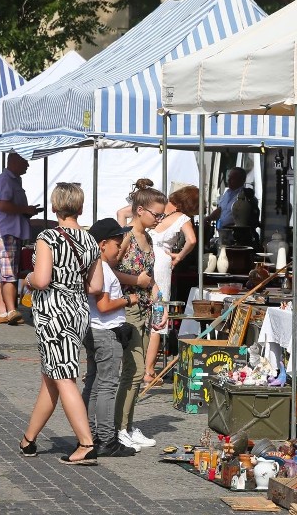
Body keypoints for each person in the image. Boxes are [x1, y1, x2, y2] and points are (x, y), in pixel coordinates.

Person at [20, 182, 104, 466]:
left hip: (53, 311)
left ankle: (85, 443)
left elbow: (41, 280)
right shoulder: (91, 240)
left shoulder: (47, 237)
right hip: (78, 310)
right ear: (80, 207)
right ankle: (29, 439)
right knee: (52, 376)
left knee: (63, 377)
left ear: (55, 206)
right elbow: (96, 286)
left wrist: (28, 280)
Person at [113, 185, 166, 452]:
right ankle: (120, 428)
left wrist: (160, 298)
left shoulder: (148, 238)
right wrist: (137, 281)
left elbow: (150, 277)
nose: (159, 219)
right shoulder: (126, 238)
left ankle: (128, 425)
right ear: (141, 211)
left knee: (138, 370)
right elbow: (108, 270)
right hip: (128, 307)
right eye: (157, 214)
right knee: (133, 371)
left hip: (145, 307)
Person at [83, 218, 140, 457]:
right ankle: (106, 439)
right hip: (105, 332)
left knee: (94, 383)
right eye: (118, 243)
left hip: (94, 329)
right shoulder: (102, 269)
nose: (121, 248)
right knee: (106, 385)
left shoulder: (95, 266)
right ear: (103, 244)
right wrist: (129, 300)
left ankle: (91, 434)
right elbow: (104, 305)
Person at [144, 186, 199, 383]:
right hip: (162, 261)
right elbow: (191, 240)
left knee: (143, 309)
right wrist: (179, 257)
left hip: (144, 256)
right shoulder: (182, 218)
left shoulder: (156, 206)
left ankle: (139, 364)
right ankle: (149, 370)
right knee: (159, 314)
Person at [0, 153, 41, 325]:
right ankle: (12, 310)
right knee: (9, 273)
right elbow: (2, 205)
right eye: (24, 161)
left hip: (10, 231)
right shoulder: (5, 180)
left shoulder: (13, 179)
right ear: (14, 162)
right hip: (5, 232)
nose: (27, 165)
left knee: (7, 272)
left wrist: (25, 211)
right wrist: (24, 209)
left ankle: (3, 312)